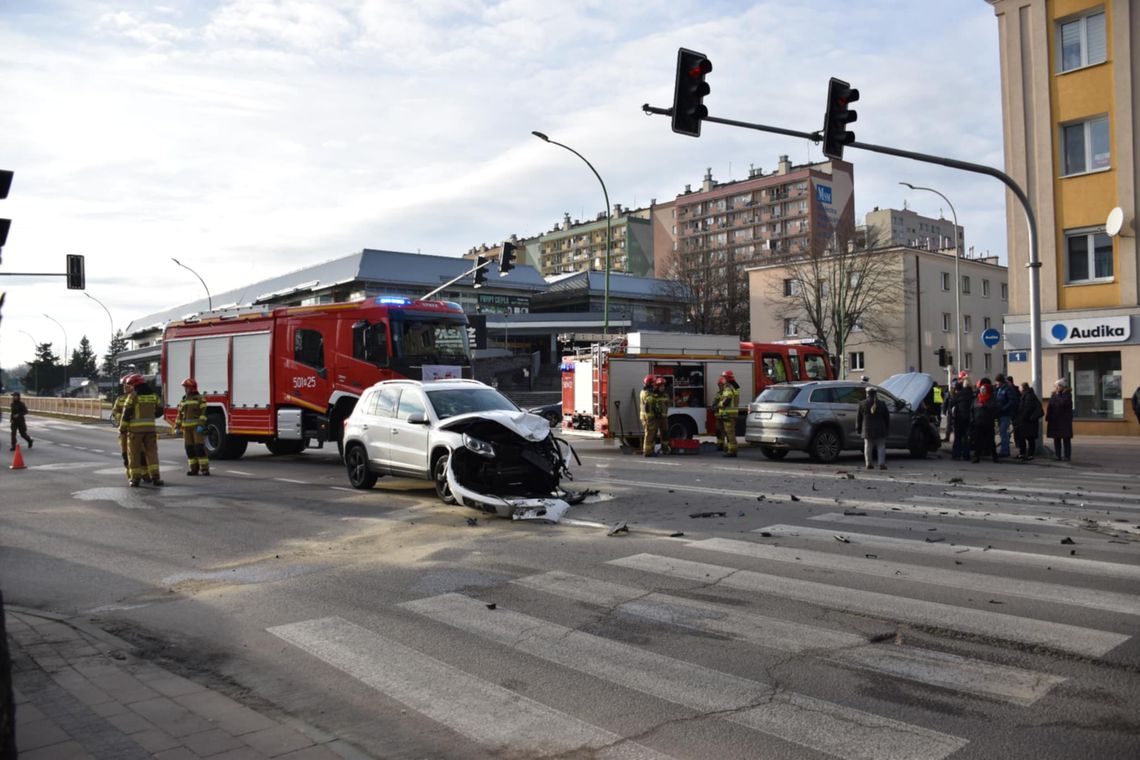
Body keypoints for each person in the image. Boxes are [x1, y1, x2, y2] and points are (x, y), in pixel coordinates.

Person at [120, 374, 165, 486]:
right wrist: (151, 416)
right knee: (152, 453)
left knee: (134, 454)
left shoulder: (133, 396)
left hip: (135, 431)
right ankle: (156, 477)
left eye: (131, 384)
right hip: (150, 430)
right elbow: (160, 410)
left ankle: (135, 479)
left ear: (135, 384)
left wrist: (122, 428)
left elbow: (126, 414)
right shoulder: (153, 396)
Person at [174, 378, 210, 476]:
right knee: (189, 449)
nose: (185, 389)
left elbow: (204, 413)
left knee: (199, 448)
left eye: (186, 387)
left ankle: (204, 469)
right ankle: (193, 469)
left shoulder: (199, 399)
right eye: (185, 387)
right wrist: (177, 426)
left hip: (196, 428)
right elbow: (179, 415)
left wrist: (201, 425)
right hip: (186, 429)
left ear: (191, 388)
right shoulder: (184, 400)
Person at [856, 387, 890, 470]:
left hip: (867, 430)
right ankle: (881, 463)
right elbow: (887, 417)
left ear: (867, 393)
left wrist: (858, 429)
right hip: (880, 429)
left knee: (868, 447)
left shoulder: (862, 404)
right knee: (881, 446)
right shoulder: (882, 403)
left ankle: (868, 463)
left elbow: (858, 418)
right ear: (876, 394)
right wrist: (886, 428)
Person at [970, 377, 998, 463]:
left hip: (988, 423)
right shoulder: (976, 399)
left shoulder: (991, 399)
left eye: (984, 389)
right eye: (981, 389)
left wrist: (985, 406)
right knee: (977, 441)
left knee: (991, 441)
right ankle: (976, 457)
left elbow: (994, 409)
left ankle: (994, 456)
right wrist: (972, 419)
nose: (982, 391)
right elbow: (972, 409)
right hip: (978, 423)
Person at [1046, 378, 1074, 461]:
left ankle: (1067, 456)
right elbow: (1050, 405)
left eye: (1058, 386)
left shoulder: (1067, 395)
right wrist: (1048, 416)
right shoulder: (1054, 394)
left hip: (1064, 420)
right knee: (1056, 438)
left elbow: (1062, 404)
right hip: (1055, 420)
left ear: (1062, 386)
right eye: (1056, 386)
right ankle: (1057, 455)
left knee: (1066, 438)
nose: (1056, 388)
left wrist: (1058, 395)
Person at [714, 370, 740, 457]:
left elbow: (728, 398)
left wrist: (720, 405)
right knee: (727, 431)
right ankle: (730, 449)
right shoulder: (735, 386)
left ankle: (732, 451)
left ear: (727, 378)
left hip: (728, 413)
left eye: (723, 377)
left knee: (729, 432)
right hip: (729, 413)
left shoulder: (728, 387)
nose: (722, 379)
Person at [1014, 381, 1043, 461]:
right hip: (1025, 422)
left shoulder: (1029, 396)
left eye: (1020, 388)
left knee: (1030, 439)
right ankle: (1023, 453)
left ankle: (1030, 454)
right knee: (1022, 438)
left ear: (1023, 388)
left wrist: (1022, 417)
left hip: (1028, 422)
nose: (1019, 389)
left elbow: (1028, 408)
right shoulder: (1026, 395)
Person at [994, 373, 1019, 457]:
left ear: (1001, 381)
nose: (996, 383)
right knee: (1002, 433)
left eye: (997, 382)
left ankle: (1005, 451)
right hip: (1000, 414)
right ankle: (1004, 450)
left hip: (1006, 414)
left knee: (1003, 432)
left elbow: (1012, 401)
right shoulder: (999, 389)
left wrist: (1003, 408)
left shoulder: (1008, 389)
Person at [951, 375, 974, 461]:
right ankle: (966, 455)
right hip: (969, 419)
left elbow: (952, 404)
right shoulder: (973, 395)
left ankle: (956, 454)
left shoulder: (959, 394)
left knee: (958, 437)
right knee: (966, 437)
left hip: (959, 418)